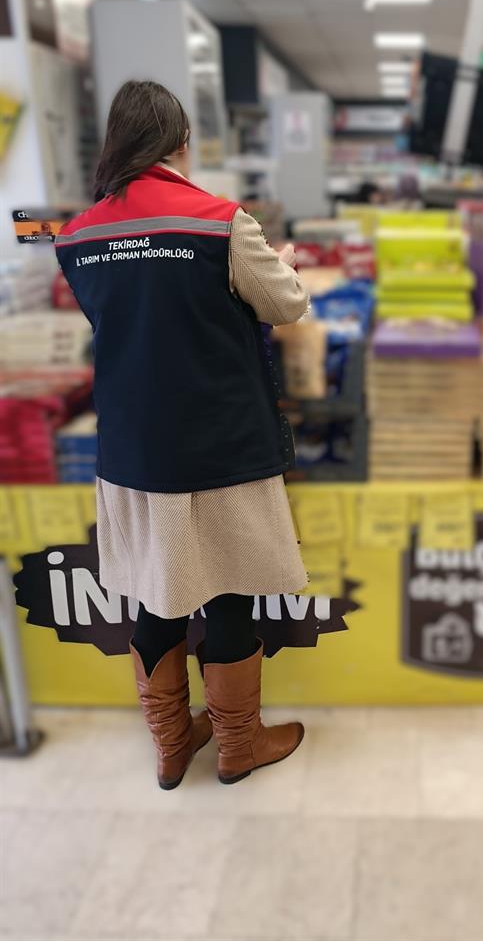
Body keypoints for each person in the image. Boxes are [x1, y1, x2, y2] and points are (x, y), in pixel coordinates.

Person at [55, 80, 310, 789]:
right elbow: (286, 305)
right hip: (220, 441)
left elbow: (123, 320)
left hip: (133, 446)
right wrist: (285, 267)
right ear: (180, 141)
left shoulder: (78, 236)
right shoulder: (220, 222)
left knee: (153, 593)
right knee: (228, 592)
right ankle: (238, 744)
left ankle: (172, 745)